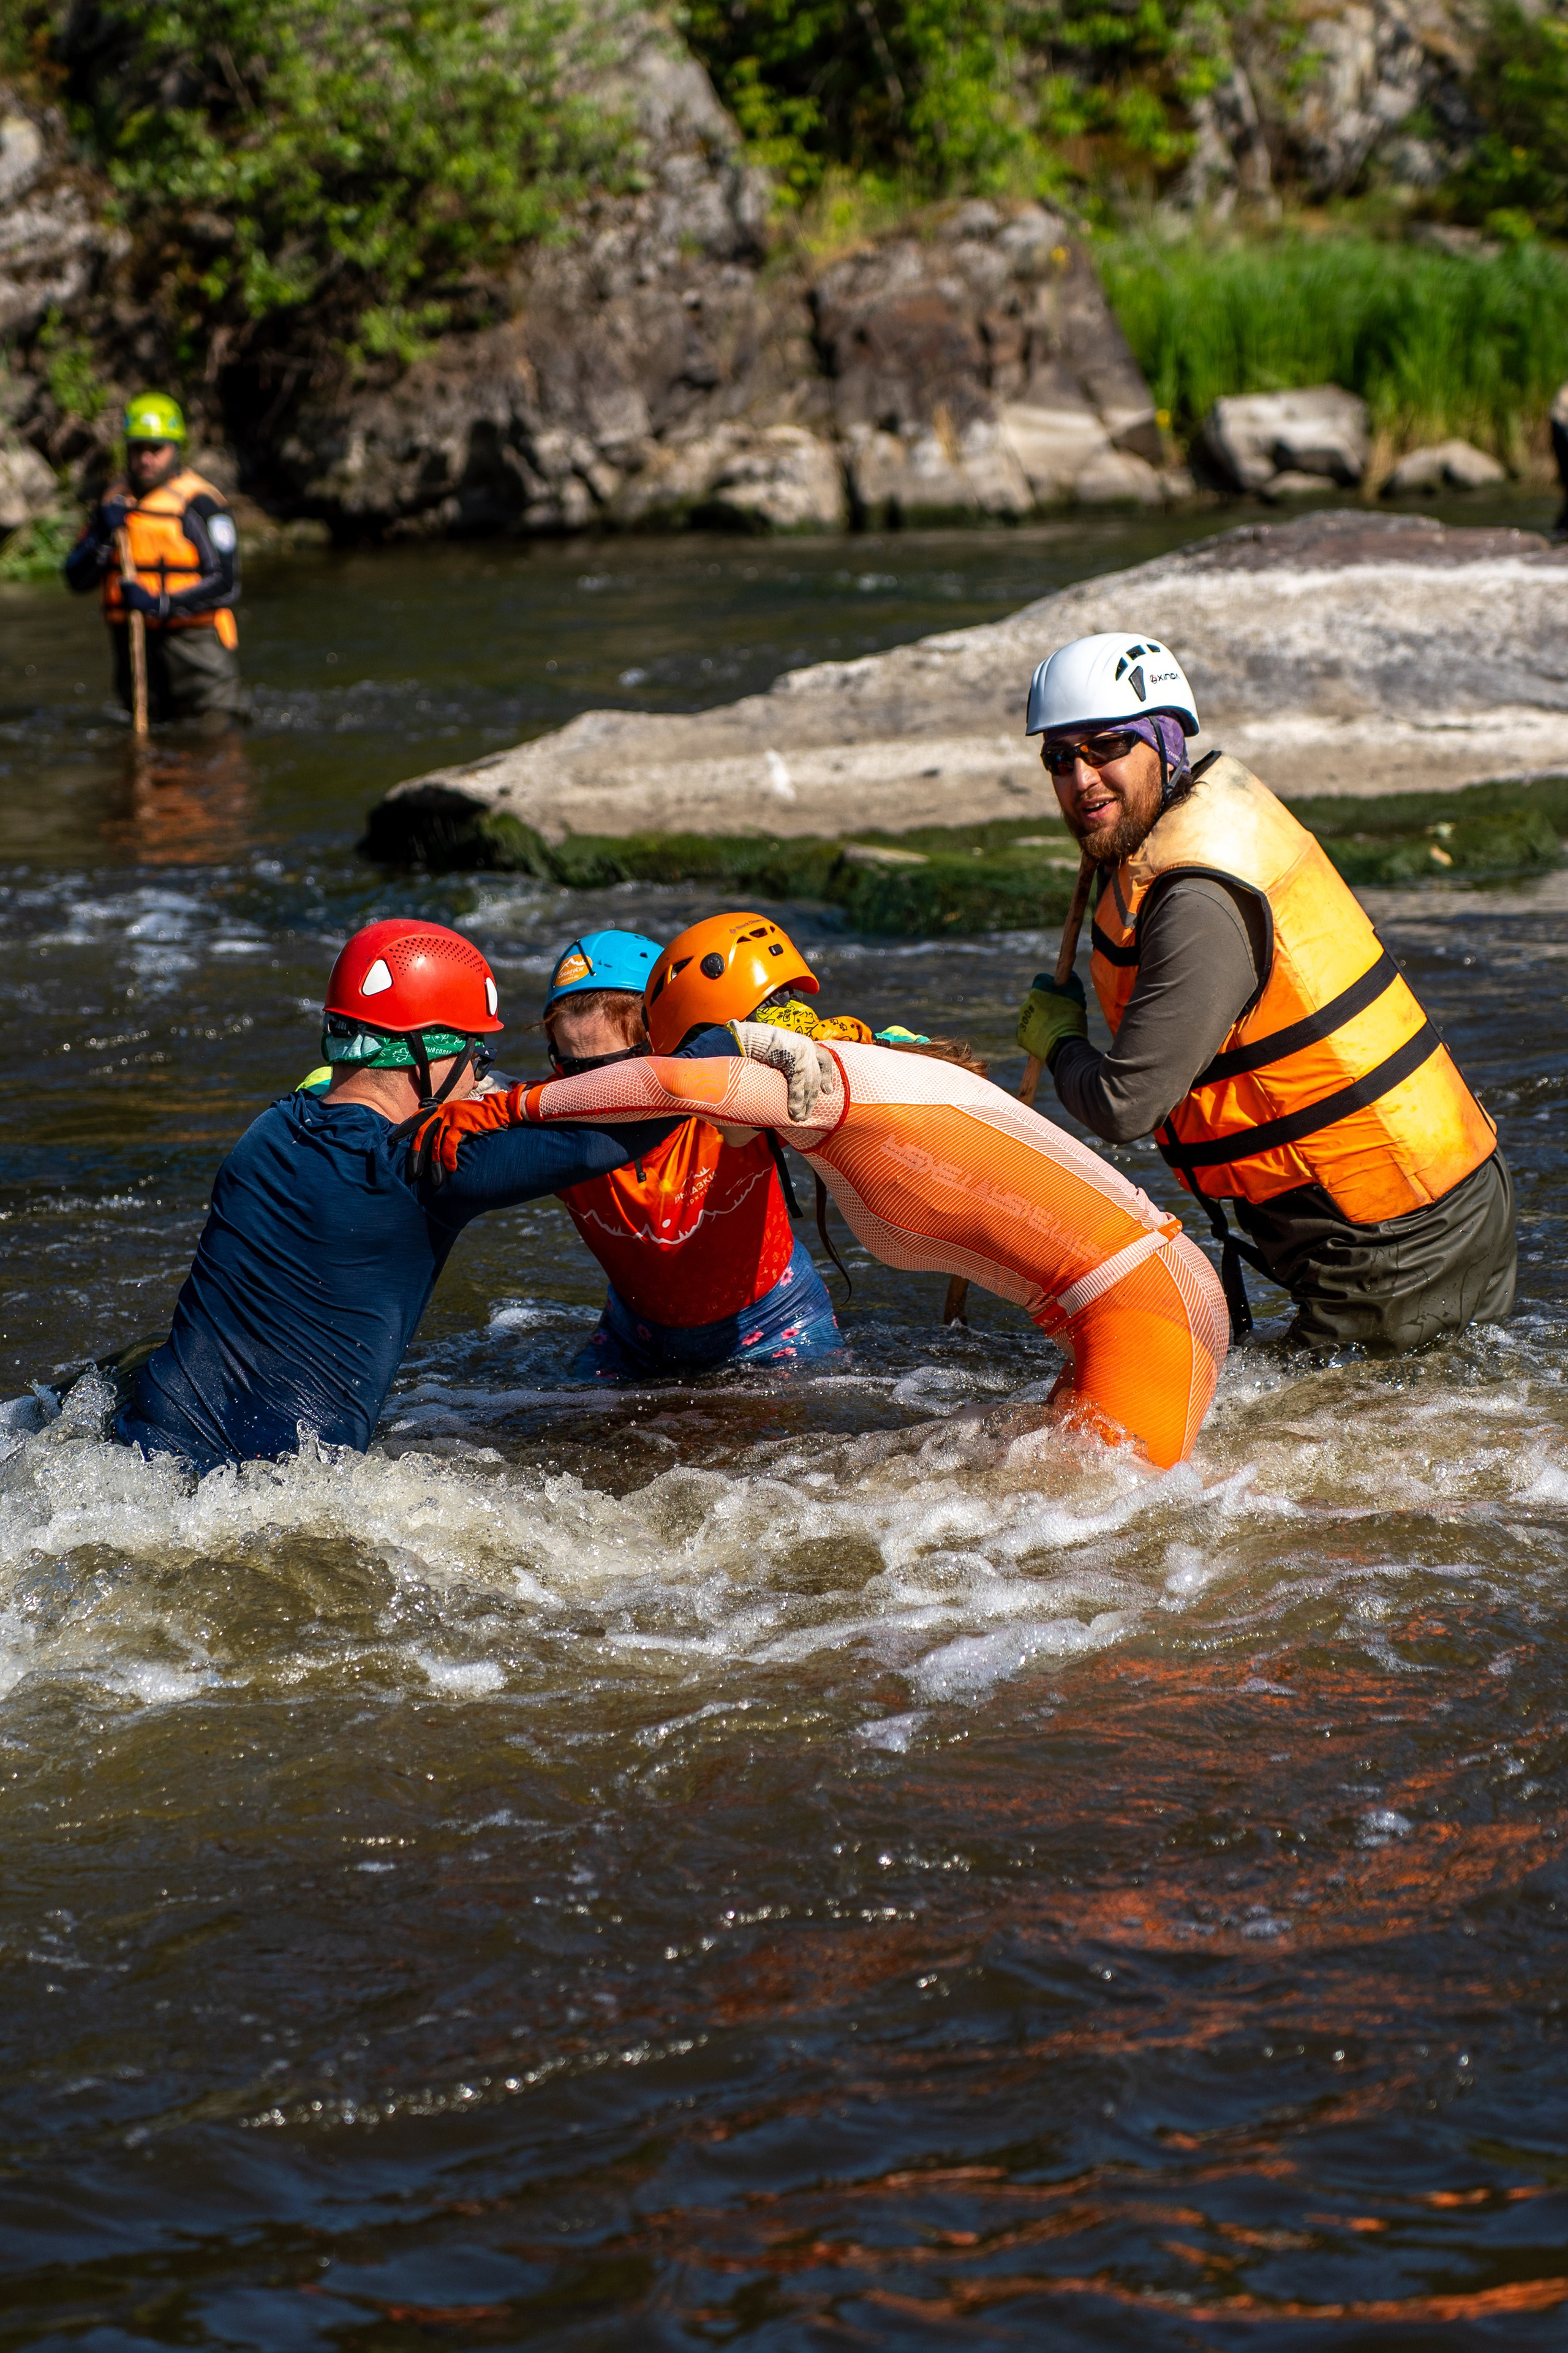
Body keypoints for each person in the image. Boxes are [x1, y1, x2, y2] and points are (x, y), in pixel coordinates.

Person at [411, 929, 1232, 1470]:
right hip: (1123, 1301)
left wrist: (518, 1106)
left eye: (626, 1064)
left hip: (1131, 1303)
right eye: (571, 1069)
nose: (597, 1088)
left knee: (1085, 1537)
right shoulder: (818, 1070)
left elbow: (675, 1083)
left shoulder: (789, 1087)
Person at [1012, 632, 1514, 1350]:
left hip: (1392, 1237)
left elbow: (1125, 1105)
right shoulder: (1162, 839)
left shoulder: (1195, 899)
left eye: (1106, 747)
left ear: (1166, 743)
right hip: (1424, 1202)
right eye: (1060, 759)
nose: (1082, 778)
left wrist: (1060, 1042)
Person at [112, 918, 735, 1475]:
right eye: (477, 1055)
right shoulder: (425, 1164)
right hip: (269, 1497)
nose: (480, 1078)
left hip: (137, 1449)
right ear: (426, 1055)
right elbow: (616, 1135)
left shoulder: (268, 1130)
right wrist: (733, 1036)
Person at [541, 924, 843, 1380]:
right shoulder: (553, 1116)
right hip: (635, 1337)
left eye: (612, 1068)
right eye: (572, 1067)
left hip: (778, 1322)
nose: (594, 1088)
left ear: (667, 1043)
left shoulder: (736, 1089)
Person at [64, 391, 249, 727]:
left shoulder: (201, 505)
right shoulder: (113, 503)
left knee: (216, 745)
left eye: (156, 449)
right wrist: (100, 534)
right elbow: (76, 579)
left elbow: (227, 584)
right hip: (139, 669)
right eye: (137, 449)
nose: (146, 459)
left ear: (175, 449)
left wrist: (160, 604)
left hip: (197, 660)